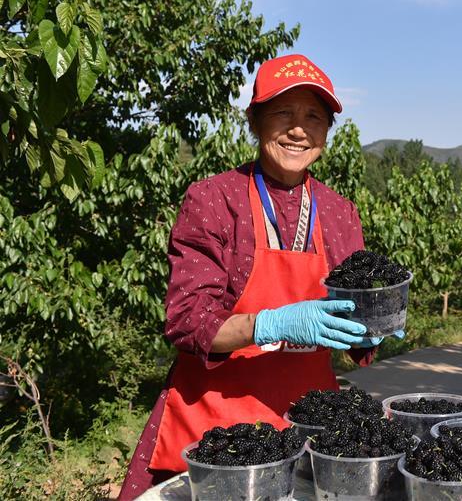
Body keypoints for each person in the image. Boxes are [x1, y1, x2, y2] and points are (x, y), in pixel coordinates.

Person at [120, 54, 400, 499]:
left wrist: (370, 330)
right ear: (255, 122)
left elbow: (356, 315)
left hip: (308, 427)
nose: (298, 129)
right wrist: (271, 324)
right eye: (282, 113)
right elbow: (187, 321)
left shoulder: (338, 212)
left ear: (327, 130)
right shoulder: (213, 200)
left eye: (313, 116)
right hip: (215, 428)